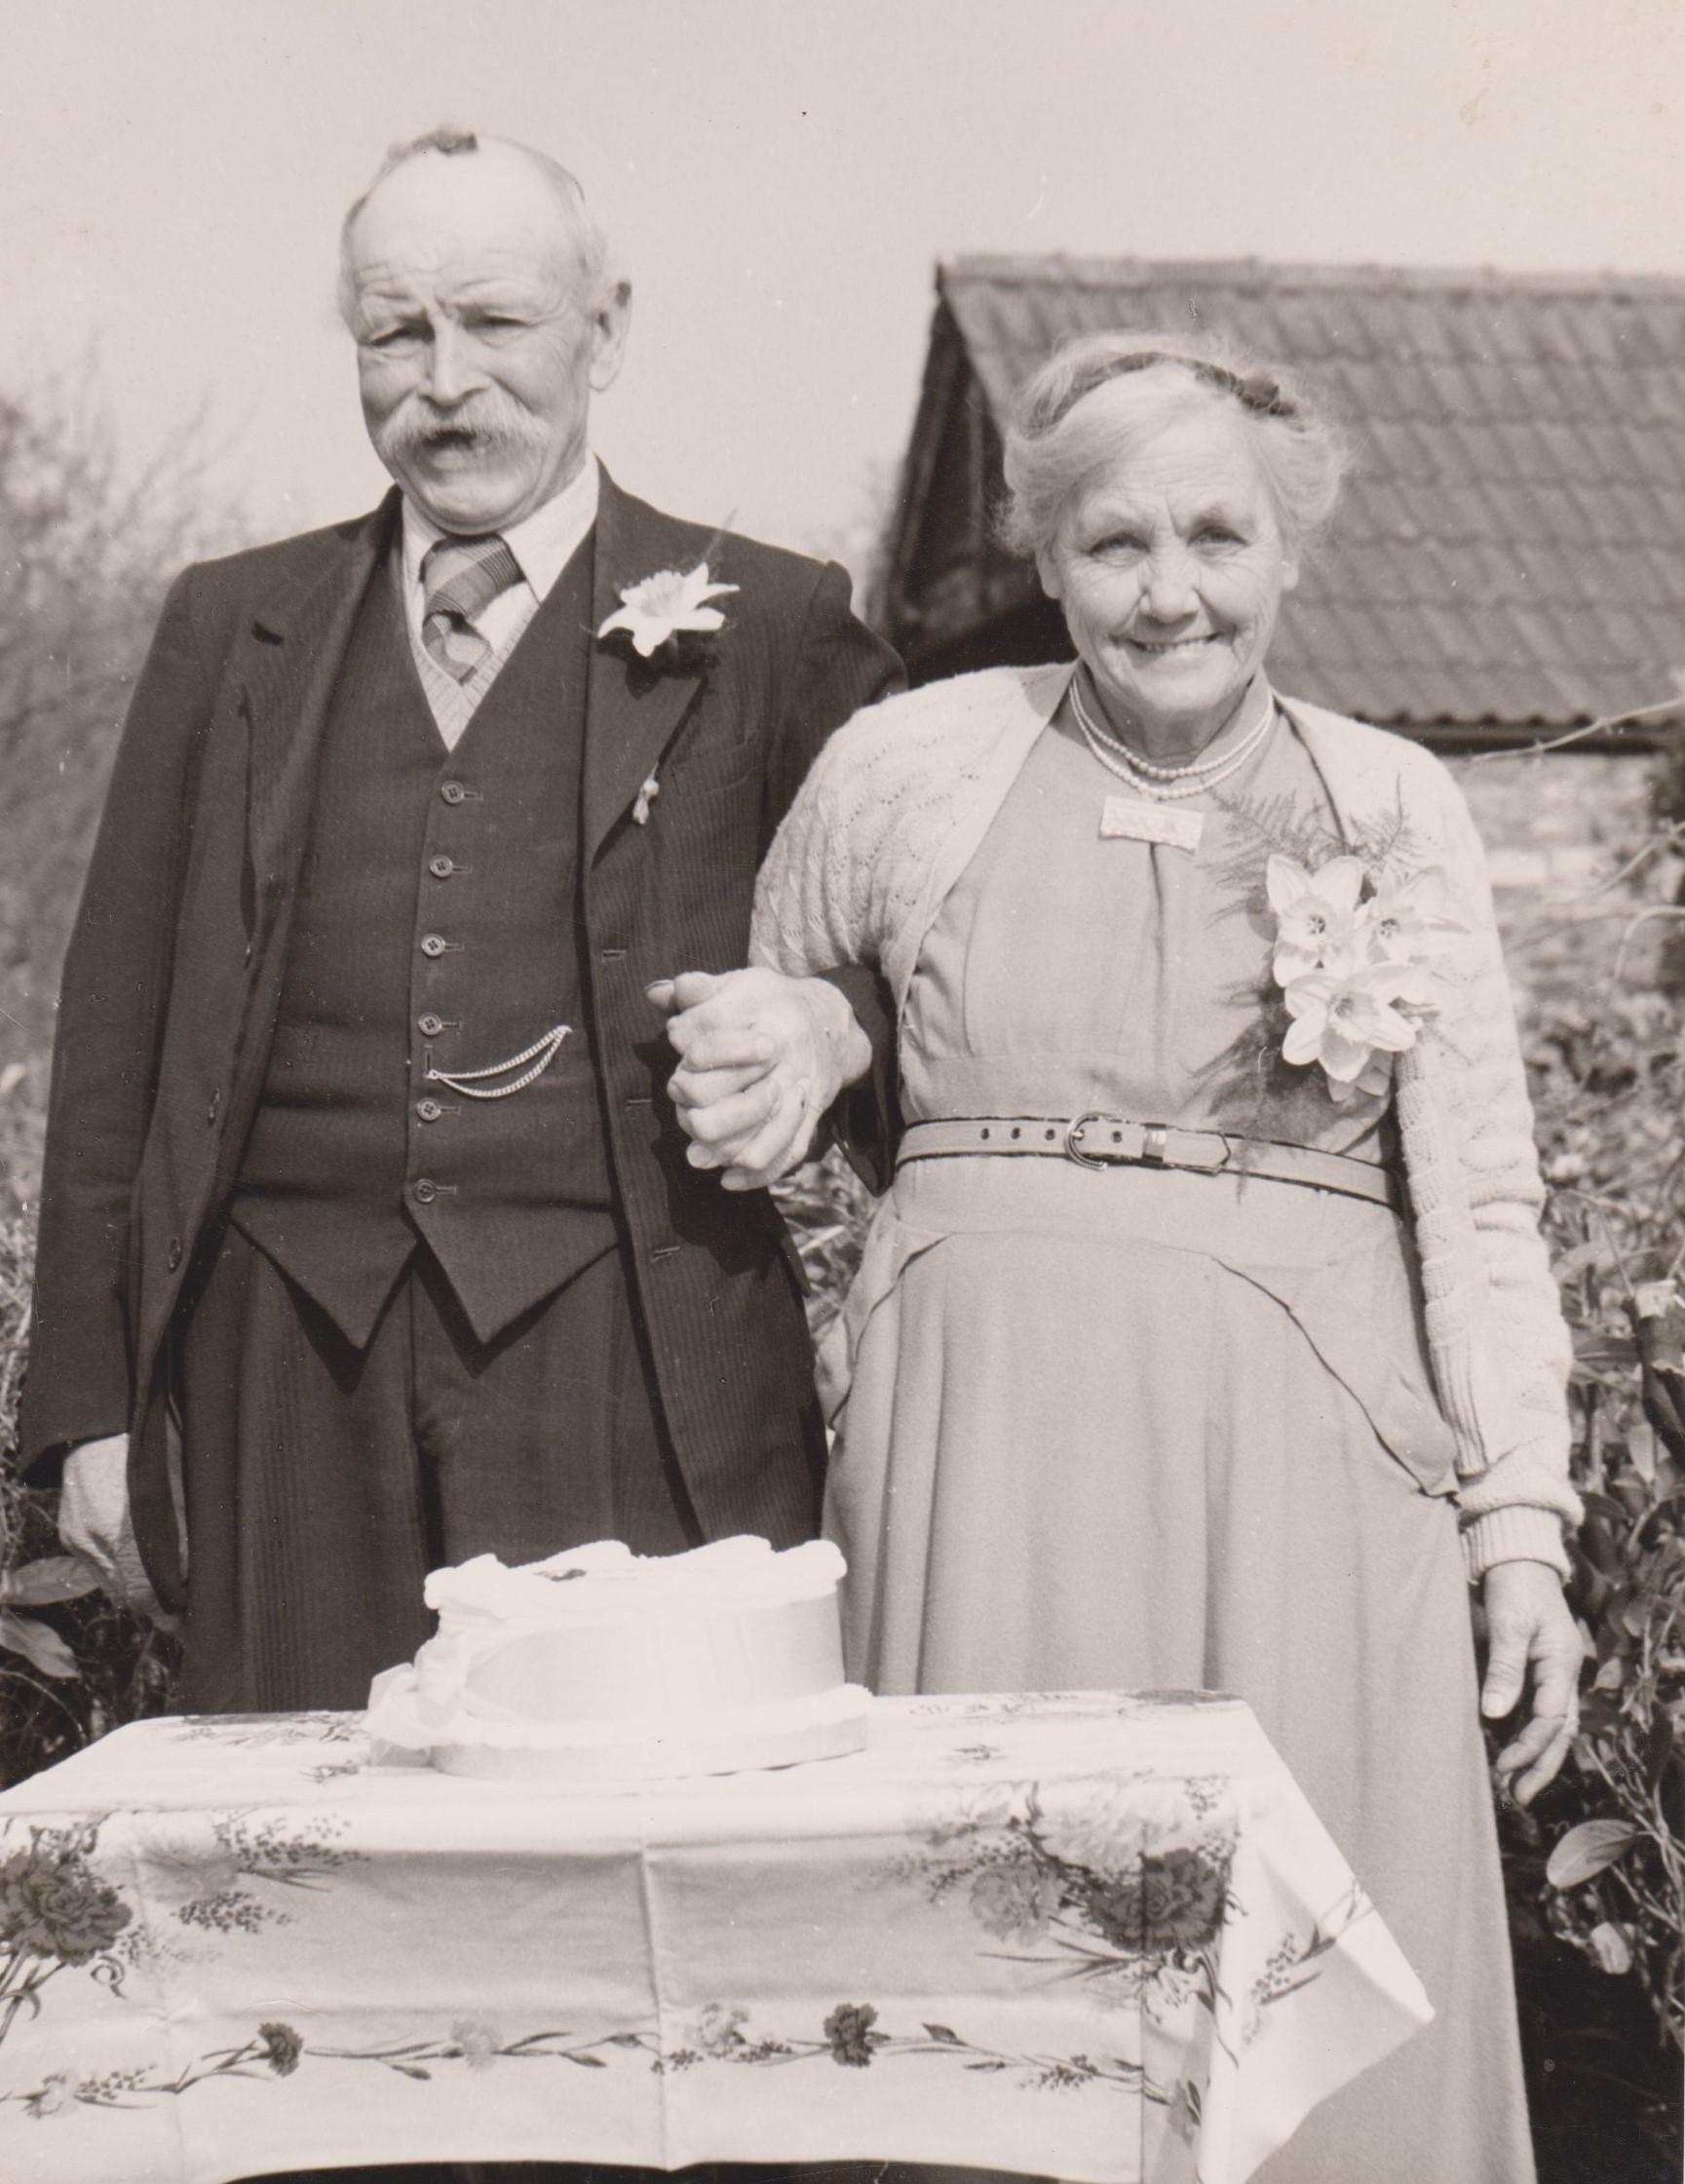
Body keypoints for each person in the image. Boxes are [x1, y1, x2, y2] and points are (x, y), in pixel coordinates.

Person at [674, 332, 1584, 2182]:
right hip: (980, 1459)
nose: (1170, 593)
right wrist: (854, 1259)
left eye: (1216, 538)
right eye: (1114, 544)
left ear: (1288, 549)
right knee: (982, 1979)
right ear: (1045, 553)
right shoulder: (905, 766)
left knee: (1310, 1991)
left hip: (1311, 1476)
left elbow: (1479, 1194)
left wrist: (1518, 1524)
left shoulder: (1391, 803)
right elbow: (789, 1054)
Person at [19, 128, 900, 1716]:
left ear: (603, 331)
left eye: (495, 322)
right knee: (294, 1826)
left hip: (632, 1355)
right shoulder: (231, 625)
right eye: (394, 332)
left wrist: (832, 1025)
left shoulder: (774, 624)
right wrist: (90, 1404)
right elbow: (115, 1031)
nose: (445, 382)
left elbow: (926, 960)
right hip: (283, 1367)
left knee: (626, 1817)